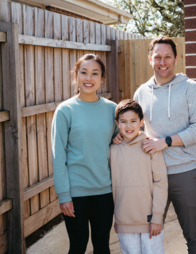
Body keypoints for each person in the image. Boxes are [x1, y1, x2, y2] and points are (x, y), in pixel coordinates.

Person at [113, 36, 196, 254]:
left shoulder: (192, 89)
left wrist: (165, 142)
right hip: (150, 175)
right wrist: (120, 137)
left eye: (167, 57)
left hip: (185, 172)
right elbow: (135, 127)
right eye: (157, 57)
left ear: (176, 59)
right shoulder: (141, 92)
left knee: (193, 235)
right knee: (150, 233)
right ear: (150, 59)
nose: (162, 62)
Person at [52, 54, 117, 254]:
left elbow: (119, 144)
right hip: (75, 193)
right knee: (78, 247)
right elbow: (58, 156)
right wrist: (64, 195)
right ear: (76, 76)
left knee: (102, 247)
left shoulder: (112, 110)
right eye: (84, 72)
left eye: (95, 73)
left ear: (101, 79)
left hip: (105, 192)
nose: (89, 78)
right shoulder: (65, 110)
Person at [110, 99, 168, 254]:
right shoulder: (112, 150)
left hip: (150, 221)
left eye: (133, 121)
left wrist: (157, 217)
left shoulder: (150, 147)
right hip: (124, 221)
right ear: (117, 124)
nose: (128, 126)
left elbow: (161, 182)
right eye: (123, 122)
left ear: (141, 122)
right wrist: (118, 220)